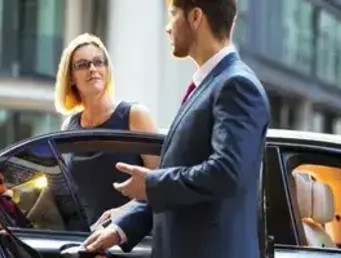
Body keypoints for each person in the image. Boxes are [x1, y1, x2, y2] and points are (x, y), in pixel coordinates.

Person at [82, 1, 270, 258]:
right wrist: (121, 228)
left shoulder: (235, 85)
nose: (167, 28)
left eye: (172, 16)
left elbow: (226, 173)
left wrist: (151, 183)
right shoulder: (210, 85)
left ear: (195, 17)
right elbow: (182, 187)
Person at [53, 32, 159, 228]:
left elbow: (162, 184)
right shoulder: (68, 127)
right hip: (85, 241)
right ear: (71, 78)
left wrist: (125, 212)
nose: (92, 69)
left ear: (107, 70)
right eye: (83, 65)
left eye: (98, 62)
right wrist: (14, 216)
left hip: (130, 239)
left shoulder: (135, 115)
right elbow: (59, 195)